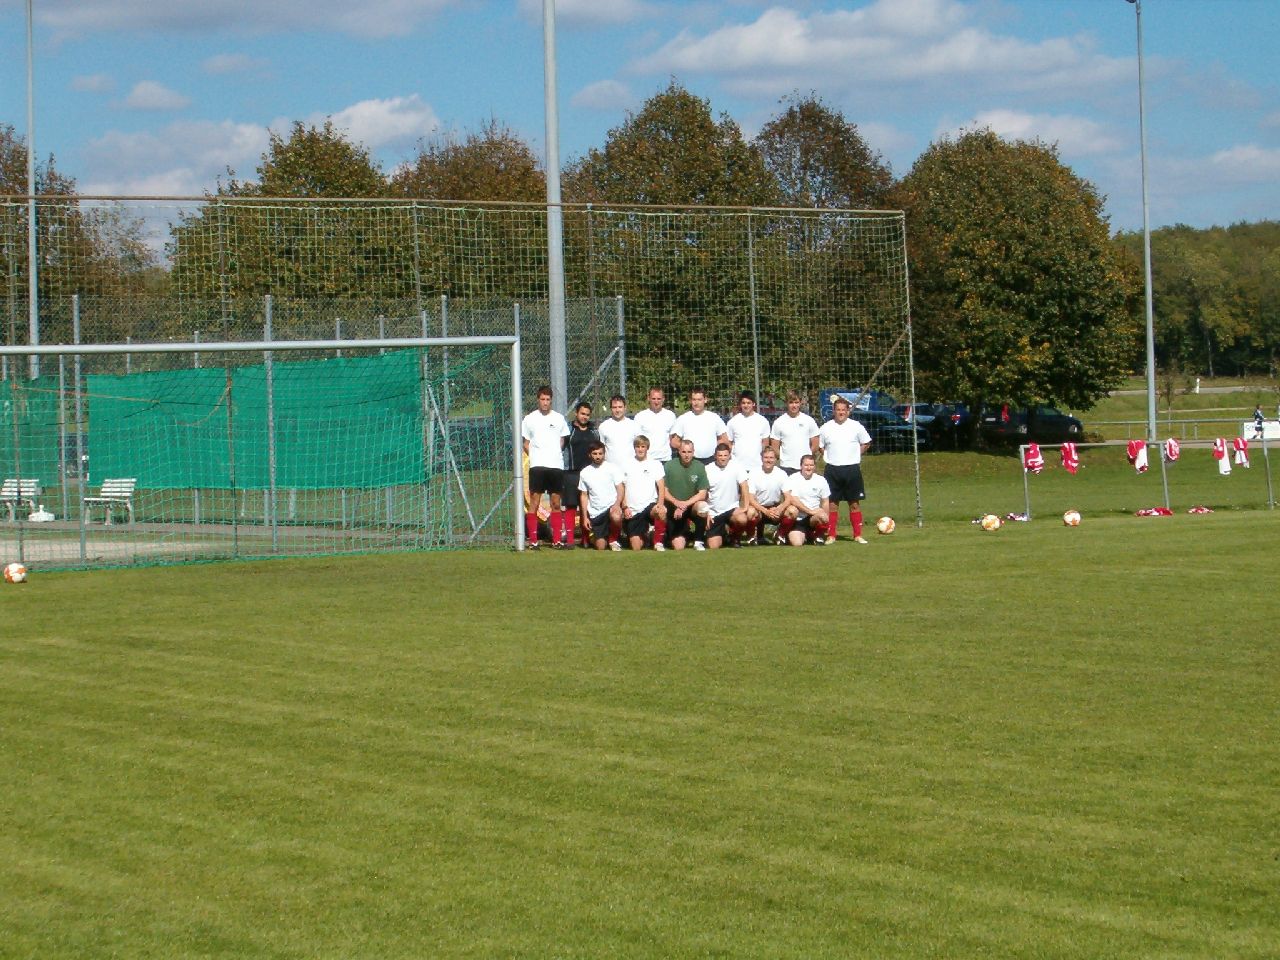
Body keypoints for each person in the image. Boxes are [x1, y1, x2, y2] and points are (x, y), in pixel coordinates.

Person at [818, 395, 873, 544]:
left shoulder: (856, 426)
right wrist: (829, 456)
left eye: (843, 410)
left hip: (852, 470)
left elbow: (866, 442)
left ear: (848, 411)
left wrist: (856, 454)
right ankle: (831, 535)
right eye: (838, 410)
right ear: (834, 411)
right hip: (832, 470)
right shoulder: (826, 427)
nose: (841, 412)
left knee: (854, 503)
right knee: (832, 504)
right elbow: (820, 446)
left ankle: (857, 535)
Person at [520, 385, 570, 549]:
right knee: (534, 502)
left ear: (551, 401)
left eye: (548, 399)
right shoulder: (529, 419)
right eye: (542, 399)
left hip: (555, 466)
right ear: (538, 400)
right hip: (537, 467)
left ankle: (556, 540)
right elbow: (526, 443)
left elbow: (562, 440)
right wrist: (536, 456)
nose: (545, 402)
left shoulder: (559, 418)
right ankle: (533, 541)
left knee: (556, 503)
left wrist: (553, 453)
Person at [562, 401, 599, 548]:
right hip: (571, 473)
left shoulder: (594, 431)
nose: (585, 417)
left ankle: (586, 538)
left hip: (589, 474)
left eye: (587, 415)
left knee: (587, 507)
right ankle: (570, 539)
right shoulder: (568, 430)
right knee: (571, 506)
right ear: (576, 413)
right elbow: (561, 447)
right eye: (582, 413)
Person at [622, 434, 668, 551]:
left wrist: (660, 504)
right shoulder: (626, 464)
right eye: (638, 446)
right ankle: (647, 535)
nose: (640, 449)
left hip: (649, 506)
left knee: (661, 511)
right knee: (636, 547)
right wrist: (625, 507)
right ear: (634, 448)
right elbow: (622, 487)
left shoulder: (655, 464)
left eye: (643, 446)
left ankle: (658, 542)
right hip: (633, 510)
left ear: (647, 448)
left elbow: (661, 487)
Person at [663, 439, 710, 551]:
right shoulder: (669, 466)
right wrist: (676, 503)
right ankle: (684, 534)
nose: (687, 455)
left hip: (691, 506)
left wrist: (684, 504)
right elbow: (664, 491)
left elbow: (702, 494)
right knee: (678, 546)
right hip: (674, 507)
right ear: (679, 452)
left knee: (703, 507)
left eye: (689, 452)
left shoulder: (699, 466)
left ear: (693, 452)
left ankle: (698, 541)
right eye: (684, 452)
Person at [577, 441, 625, 551]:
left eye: (600, 453)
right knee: (600, 547)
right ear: (589, 455)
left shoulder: (612, 468)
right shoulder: (585, 472)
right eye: (595, 454)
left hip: (611, 507)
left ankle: (613, 540)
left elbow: (620, 488)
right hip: (596, 512)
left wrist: (617, 504)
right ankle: (598, 537)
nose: (598, 456)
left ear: (604, 454)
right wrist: (585, 517)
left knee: (616, 516)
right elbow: (584, 495)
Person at [703, 442, 750, 549]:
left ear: (729, 456)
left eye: (725, 455)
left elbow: (744, 487)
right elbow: (704, 493)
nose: (723, 458)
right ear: (715, 456)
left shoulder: (737, 466)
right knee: (713, 546)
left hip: (731, 509)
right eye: (720, 455)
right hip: (714, 512)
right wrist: (707, 513)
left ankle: (735, 538)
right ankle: (724, 534)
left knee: (742, 519)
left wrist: (745, 506)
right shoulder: (707, 469)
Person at [778, 453, 831, 546]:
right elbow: (793, 500)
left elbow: (825, 501)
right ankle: (781, 533)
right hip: (798, 517)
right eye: (806, 465)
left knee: (822, 515)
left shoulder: (821, 480)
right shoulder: (793, 478)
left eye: (811, 465)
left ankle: (817, 536)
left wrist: (826, 521)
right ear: (801, 466)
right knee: (797, 543)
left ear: (814, 466)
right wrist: (810, 511)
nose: (809, 468)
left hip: (813, 519)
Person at [671, 387, 729, 464]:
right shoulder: (683, 419)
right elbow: (674, 442)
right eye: (694, 399)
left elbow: (724, 439)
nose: (696, 403)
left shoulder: (714, 418)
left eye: (699, 399)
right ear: (690, 400)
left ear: (705, 400)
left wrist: (713, 449)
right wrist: (687, 450)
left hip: (711, 461)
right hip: (691, 462)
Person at [743, 446, 787, 546]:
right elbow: (750, 498)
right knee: (750, 512)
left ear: (775, 459)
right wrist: (765, 511)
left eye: (771, 458)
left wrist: (779, 508)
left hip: (775, 508)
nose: (768, 460)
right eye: (766, 457)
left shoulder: (782, 474)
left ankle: (780, 535)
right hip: (758, 508)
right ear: (761, 458)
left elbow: (788, 498)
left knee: (792, 511)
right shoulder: (753, 473)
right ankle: (751, 537)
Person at [770, 390, 820, 473]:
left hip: (805, 467)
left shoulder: (809, 420)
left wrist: (807, 459)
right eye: (791, 402)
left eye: (796, 402)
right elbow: (775, 446)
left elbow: (815, 444)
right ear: (786, 403)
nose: (794, 405)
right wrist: (784, 458)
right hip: (786, 466)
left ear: (800, 403)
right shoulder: (779, 422)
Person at [725, 390, 771, 473]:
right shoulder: (733, 422)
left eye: (749, 403)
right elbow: (729, 444)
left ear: (754, 404)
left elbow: (765, 444)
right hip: (738, 466)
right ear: (740, 404)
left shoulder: (762, 421)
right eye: (743, 403)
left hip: (757, 466)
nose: (746, 405)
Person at [633, 387, 677, 464]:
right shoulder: (640, 416)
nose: (656, 402)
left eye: (659, 399)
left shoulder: (670, 416)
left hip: (665, 459)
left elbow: (673, 439)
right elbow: (637, 440)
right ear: (648, 398)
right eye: (653, 399)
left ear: (663, 399)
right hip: (647, 459)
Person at [598, 394, 641, 468]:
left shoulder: (634, 425)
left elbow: (640, 447)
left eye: (620, 407)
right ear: (611, 408)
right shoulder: (603, 426)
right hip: (610, 469)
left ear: (625, 408)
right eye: (614, 407)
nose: (617, 410)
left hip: (631, 468)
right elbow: (601, 449)